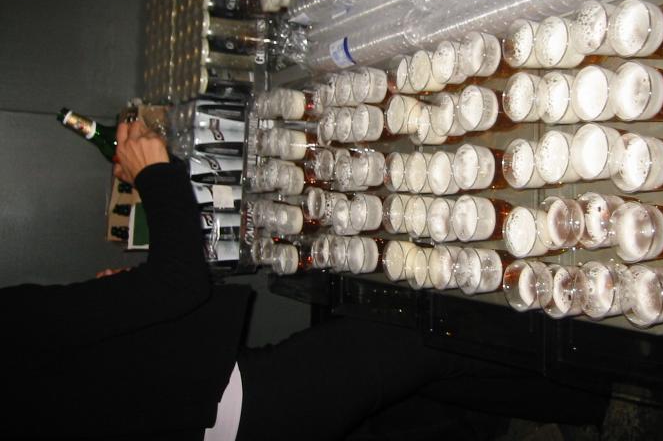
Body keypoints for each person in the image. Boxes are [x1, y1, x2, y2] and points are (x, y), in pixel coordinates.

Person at [0, 121, 608, 440]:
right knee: (424, 334)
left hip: (208, 406)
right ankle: (597, 352)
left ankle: (579, 396)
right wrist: (152, 173)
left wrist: (125, 319)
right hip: (229, 411)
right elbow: (180, 283)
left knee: (426, 370)